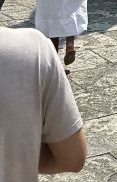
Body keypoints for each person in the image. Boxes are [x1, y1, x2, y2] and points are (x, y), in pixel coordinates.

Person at [0, 25, 86, 178]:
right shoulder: (32, 49)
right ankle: (69, 45)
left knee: (53, 24)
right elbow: (72, 158)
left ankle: (64, 47)